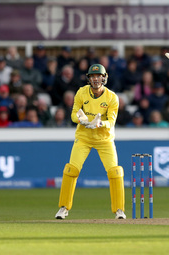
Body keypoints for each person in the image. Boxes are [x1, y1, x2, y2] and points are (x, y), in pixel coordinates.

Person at [55, 64, 126, 220]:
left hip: (104, 139)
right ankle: (64, 208)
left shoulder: (112, 97)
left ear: (104, 77)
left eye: (98, 76)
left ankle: (119, 210)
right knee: (71, 170)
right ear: (89, 78)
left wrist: (100, 123)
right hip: (84, 137)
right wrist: (82, 120)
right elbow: (73, 114)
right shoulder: (81, 92)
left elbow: (112, 121)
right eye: (92, 77)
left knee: (115, 172)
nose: (95, 79)